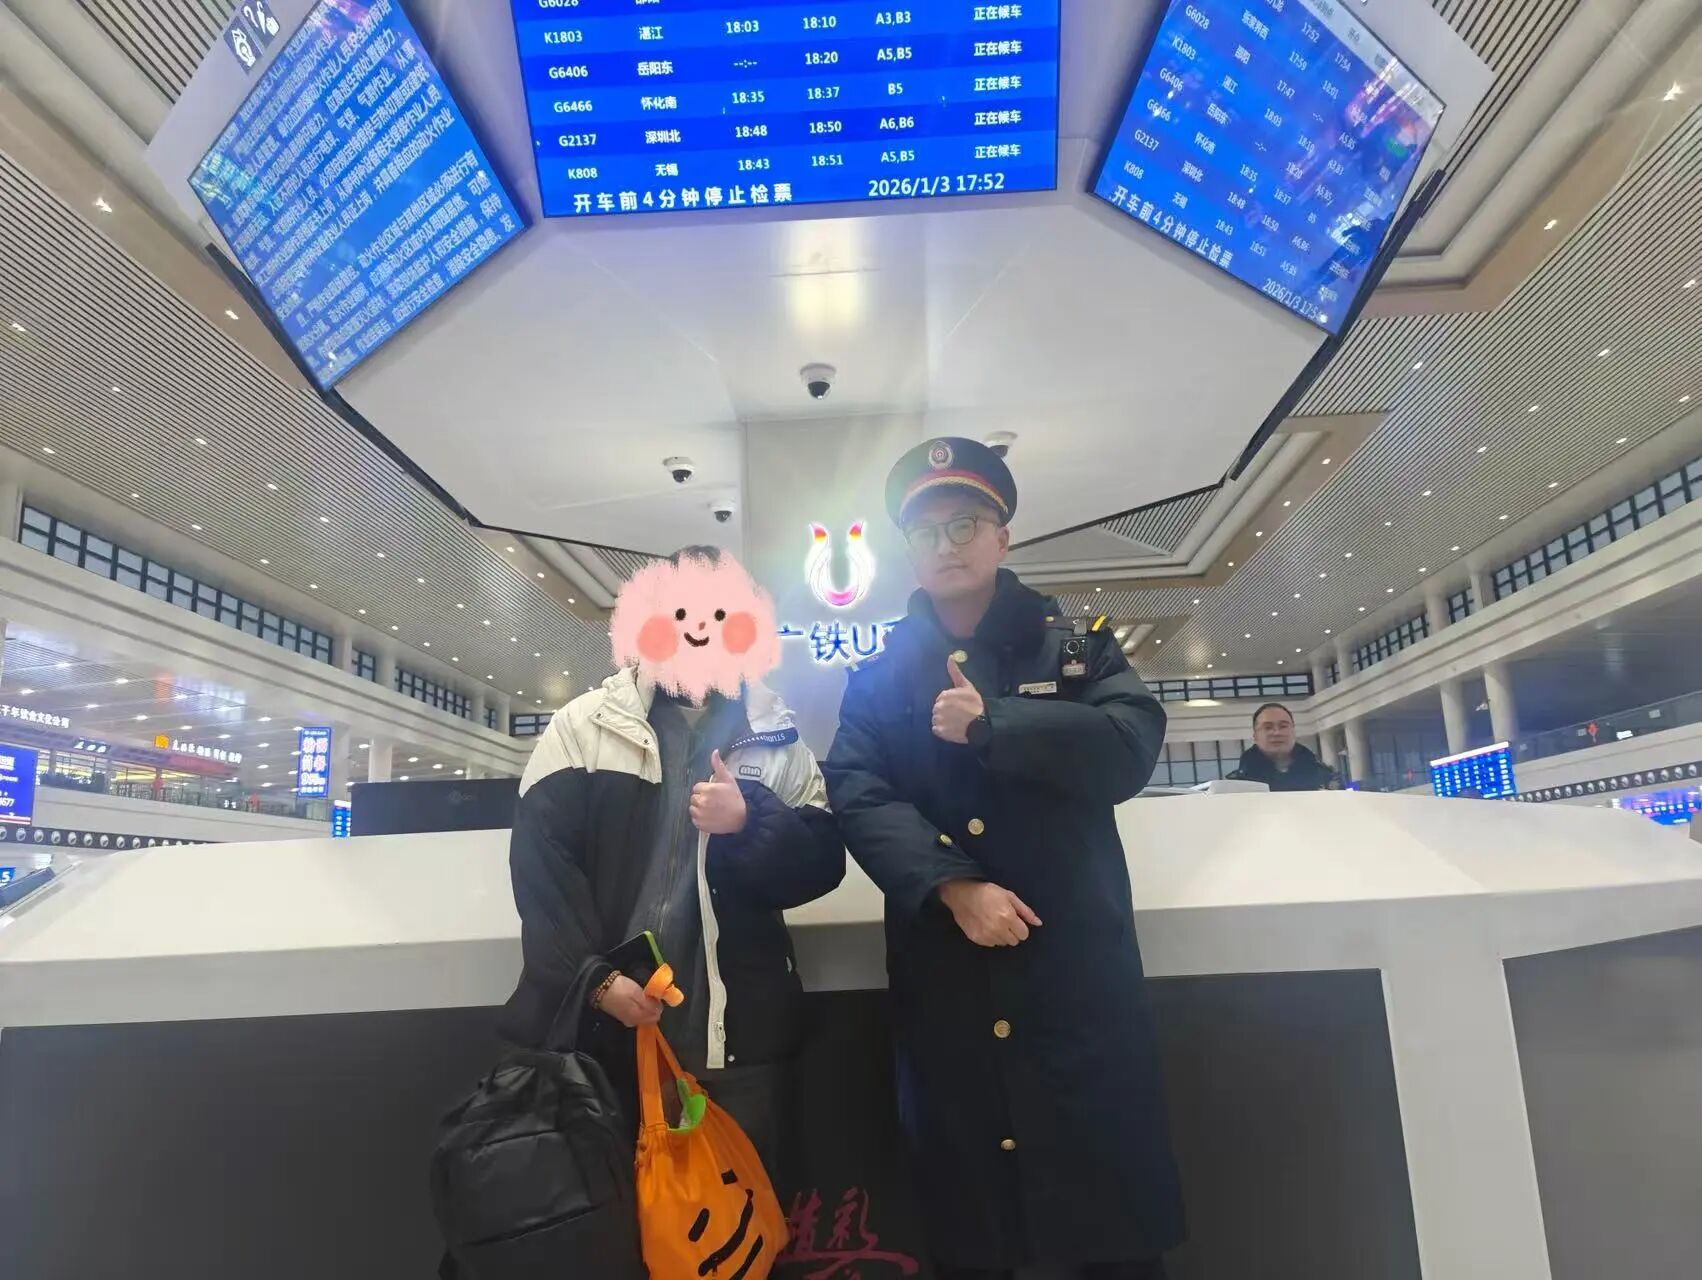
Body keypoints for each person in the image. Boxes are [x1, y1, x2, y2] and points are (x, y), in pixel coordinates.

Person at [823, 438, 1185, 1280]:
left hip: (1071, 971)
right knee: (970, 1223)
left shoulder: (1075, 646)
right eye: (926, 531)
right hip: (947, 974)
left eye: (965, 524)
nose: (946, 545)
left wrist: (997, 724)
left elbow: (1131, 745)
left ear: (1001, 537)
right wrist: (952, 884)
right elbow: (857, 792)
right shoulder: (879, 674)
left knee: (1107, 1220)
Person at [500, 546, 844, 1171]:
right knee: (610, 1213)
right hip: (605, 1038)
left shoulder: (778, 738)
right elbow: (541, 869)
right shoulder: (584, 727)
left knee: (743, 1213)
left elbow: (822, 864)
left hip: (737, 1040)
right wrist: (595, 982)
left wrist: (751, 821)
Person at [1227, 703, 1342, 791]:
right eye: (1268, 727)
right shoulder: (1237, 785)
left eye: (1283, 726)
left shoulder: (1327, 779)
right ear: (1255, 736)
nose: (1276, 732)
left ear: (1294, 731)